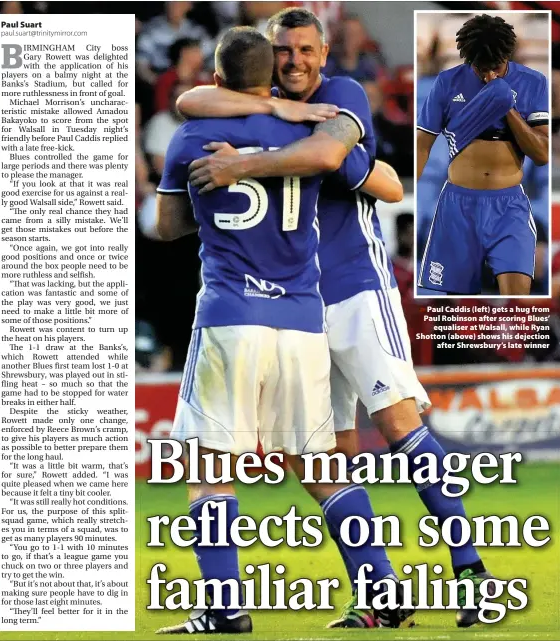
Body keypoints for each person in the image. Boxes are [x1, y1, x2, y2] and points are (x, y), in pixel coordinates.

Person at [177, 7, 492, 629]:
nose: (295, 62)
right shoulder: (259, 108)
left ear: (323, 54)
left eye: (304, 51)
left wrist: (241, 165)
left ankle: (473, 573)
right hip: (297, 310)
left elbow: (330, 158)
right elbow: (191, 98)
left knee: (400, 427)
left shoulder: (342, 92)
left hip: (353, 289)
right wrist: (284, 117)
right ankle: (381, 597)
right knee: (330, 458)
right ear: (266, 61)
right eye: (282, 52)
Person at [154, 26, 408, 635]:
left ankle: (225, 608)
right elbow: (370, 174)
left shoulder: (192, 136)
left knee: (208, 468)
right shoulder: (309, 129)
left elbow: (165, 226)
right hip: (300, 321)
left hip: (230, 317)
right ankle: (384, 590)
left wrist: (214, 196)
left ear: (218, 80)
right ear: (271, 76)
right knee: (323, 469)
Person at [417, 14, 549, 296]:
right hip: (458, 205)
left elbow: (542, 154)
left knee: (518, 301)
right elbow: (422, 144)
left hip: (508, 206)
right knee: (455, 309)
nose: (488, 74)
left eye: (496, 67)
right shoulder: (447, 82)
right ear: (467, 58)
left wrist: (505, 105)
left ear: (508, 55)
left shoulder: (533, 82)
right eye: (480, 68)